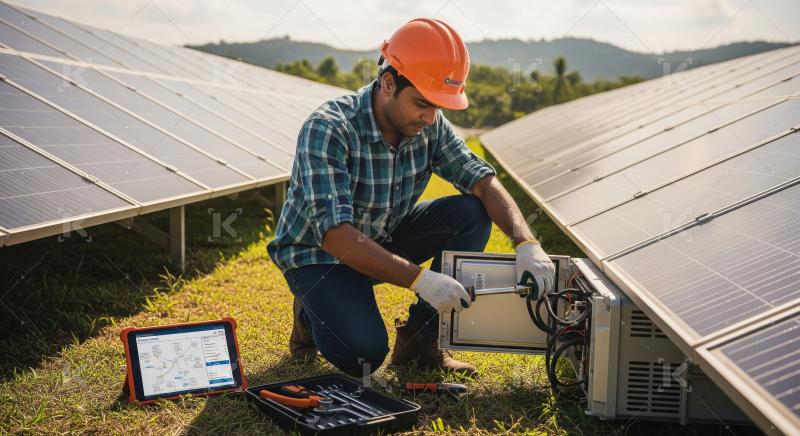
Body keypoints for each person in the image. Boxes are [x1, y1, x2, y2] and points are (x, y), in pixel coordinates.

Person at [267, 18, 555, 378]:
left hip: (381, 237)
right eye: (423, 103)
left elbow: (482, 181)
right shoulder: (328, 127)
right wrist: (422, 280)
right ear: (388, 83)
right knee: (365, 356)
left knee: (471, 212)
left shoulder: (429, 124)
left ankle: (421, 339)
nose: (431, 116)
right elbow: (335, 235)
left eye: (439, 106)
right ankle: (310, 313)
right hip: (320, 255)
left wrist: (526, 243)